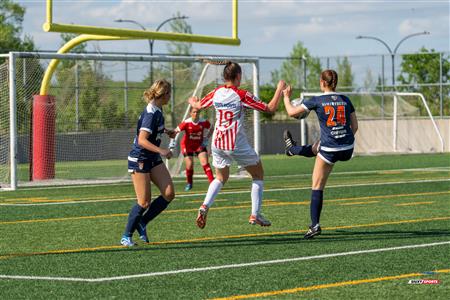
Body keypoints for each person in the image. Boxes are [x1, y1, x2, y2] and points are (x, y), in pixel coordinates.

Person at [189, 61, 286, 229]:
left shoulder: (216, 92)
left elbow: (198, 105)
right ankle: (255, 214)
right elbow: (270, 108)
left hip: (217, 142)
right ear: (238, 76)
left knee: (220, 178)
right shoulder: (241, 95)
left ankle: (205, 205)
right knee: (258, 175)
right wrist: (279, 89)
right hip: (234, 143)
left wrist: (193, 101)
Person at [282, 69, 358, 239]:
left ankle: (314, 225)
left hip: (330, 150)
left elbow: (291, 112)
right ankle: (291, 149)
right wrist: (342, 139)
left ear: (323, 83)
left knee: (317, 186)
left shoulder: (317, 100)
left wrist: (286, 96)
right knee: (317, 147)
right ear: (335, 83)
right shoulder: (346, 100)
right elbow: (355, 127)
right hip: (347, 148)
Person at [121, 79, 176, 247]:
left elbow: (153, 130)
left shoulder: (158, 109)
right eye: (169, 94)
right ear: (163, 94)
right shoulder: (151, 113)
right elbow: (142, 140)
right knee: (143, 202)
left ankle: (142, 222)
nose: (170, 97)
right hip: (141, 159)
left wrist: (166, 132)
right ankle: (126, 236)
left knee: (169, 193)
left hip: (151, 158)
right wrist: (162, 151)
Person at [170, 107, 214, 191]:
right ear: (190, 113)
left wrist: (207, 138)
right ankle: (189, 183)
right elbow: (175, 131)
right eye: (193, 112)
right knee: (189, 164)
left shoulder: (203, 121)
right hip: (187, 145)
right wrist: (172, 142)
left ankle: (212, 183)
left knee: (205, 162)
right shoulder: (186, 122)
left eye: (197, 112)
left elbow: (211, 128)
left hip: (199, 145)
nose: (195, 114)